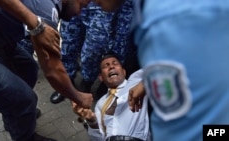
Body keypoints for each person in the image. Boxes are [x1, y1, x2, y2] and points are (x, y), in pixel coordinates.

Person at [95, 0, 229, 141]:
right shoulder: (162, 18)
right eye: (105, 66)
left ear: (124, 70)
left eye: (114, 63)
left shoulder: (168, 20)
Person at [0, 0, 93, 141]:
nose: (79, 13)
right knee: (24, 99)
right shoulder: (47, 11)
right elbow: (53, 71)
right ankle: (25, 137)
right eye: (82, 6)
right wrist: (78, 97)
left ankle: (15, 117)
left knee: (28, 69)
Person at [50, 0, 134, 104]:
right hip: (76, 3)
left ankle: (87, 84)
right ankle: (66, 83)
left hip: (103, 8)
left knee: (93, 50)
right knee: (68, 42)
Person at [72, 53, 150, 141]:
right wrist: (92, 121)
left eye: (115, 63)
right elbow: (98, 139)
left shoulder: (135, 80)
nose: (111, 67)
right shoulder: (100, 103)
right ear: (101, 77)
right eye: (106, 66)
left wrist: (145, 84)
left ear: (124, 72)